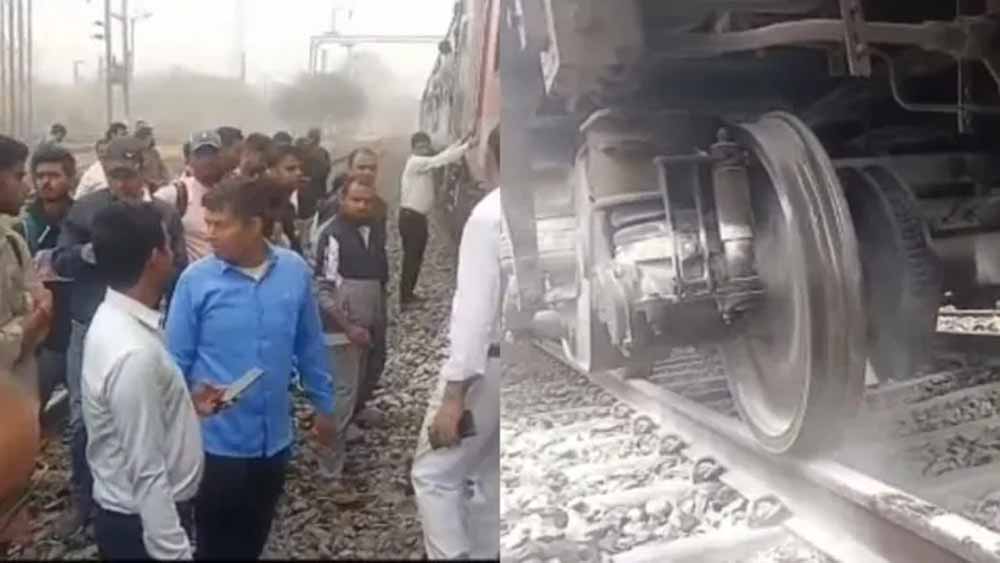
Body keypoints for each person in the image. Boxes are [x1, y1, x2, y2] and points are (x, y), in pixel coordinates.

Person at [165, 177, 335, 560]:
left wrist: (324, 406)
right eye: (207, 223)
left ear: (255, 225)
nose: (209, 234)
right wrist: (184, 413)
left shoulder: (294, 271)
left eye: (220, 225)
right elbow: (174, 362)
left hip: (273, 442)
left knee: (254, 536)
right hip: (215, 446)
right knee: (214, 544)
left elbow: (309, 343)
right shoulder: (195, 282)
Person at [51, 135, 187, 538]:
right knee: (84, 418)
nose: (122, 184)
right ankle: (87, 501)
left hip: (143, 326)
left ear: (145, 169)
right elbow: (60, 259)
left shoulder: (163, 215)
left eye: (129, 174)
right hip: (89, 326)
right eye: (114, 175)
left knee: (149, 415)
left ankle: (150, 499)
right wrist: (92, 253)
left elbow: (178, 267)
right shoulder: (86, 211)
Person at [82, 202, 220, 560]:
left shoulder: (115, 317)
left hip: (137, 518)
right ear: (154, 258)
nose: (174, 253)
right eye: (168, 244)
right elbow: (146, 472)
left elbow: (131, 419)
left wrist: (186, 407)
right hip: (142, 526)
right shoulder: (133, 353)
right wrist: (174, 553)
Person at [411, 128, 501, 560]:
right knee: (488, 468)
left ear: (491, 159)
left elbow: (474, 313)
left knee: (434, 473)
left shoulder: (488, 216)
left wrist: (453, 395)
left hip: (486, 366)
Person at [314, 177, 387, 492]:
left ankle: (339, 453)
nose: (362, 206)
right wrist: (349, 326)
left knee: (352, 391)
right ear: (342, 199)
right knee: (340, 399)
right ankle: (330, 472)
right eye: (355, 200)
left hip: (365, 330)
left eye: (367, 201)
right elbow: (323, 289)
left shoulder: (373, 230)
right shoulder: (332, 235)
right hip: (340, 332)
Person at [13, 146, 76, 416]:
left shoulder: (82, 221)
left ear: (71, 179)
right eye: (40, 176)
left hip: (75, 330)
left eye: (54, 175)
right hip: (38, 338)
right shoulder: (23, 226)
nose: (46, 182)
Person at [0, 134, 52, 401]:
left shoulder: (12, 241)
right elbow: (41, 311)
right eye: (19, 176)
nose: (29, 188)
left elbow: (43, 302)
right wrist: (32, 322)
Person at [398, 132, 472, 308]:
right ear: (413, 148)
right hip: (411, 218)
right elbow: (440, 160)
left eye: (426, 145)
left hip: (417, 218)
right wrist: (468, 146)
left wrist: (461, 141)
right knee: (411, 259)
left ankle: (409, 295)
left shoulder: (422, 163)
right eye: (420, 146)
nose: (424, 149)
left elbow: (442, 156)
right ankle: (405, 299)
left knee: (416, 258)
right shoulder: (416, 162)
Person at [155, 130, 228, 262]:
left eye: (212, 154)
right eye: (200, 155)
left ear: (222, 157)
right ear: (189, 160)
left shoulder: (235, 191)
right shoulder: (178, 193)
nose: (207, 160)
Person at [264, 142, 305, 254]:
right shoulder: (264, 206)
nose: (299, 173)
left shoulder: (290, 200)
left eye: (299, 168)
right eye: (290, 169)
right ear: (270, 171)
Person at [297, 127, 331, 221]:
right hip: (316, 189)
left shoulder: (304, 149)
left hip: (307, 188)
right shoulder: (322, 152)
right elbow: (327, 169)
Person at [135, 122, 170, 191]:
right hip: (144, 188)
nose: (150, 138)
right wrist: (151, 182)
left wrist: (165, 179)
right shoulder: (136, 153)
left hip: (158, 186)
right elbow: (136, 173)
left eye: (150, 136)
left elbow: (162, 167)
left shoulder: (154, 152)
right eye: (147, 136)